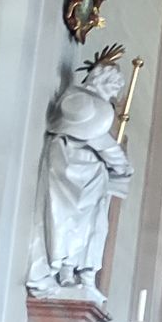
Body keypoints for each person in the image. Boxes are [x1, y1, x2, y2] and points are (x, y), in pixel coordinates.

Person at [27, 48, 132, 299]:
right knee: (67, 222)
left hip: (93, 178)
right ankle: (63, 271)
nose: (116, 90)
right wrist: (121, 164)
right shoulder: (79, 101)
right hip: (71, 172)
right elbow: (97, 139)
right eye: (115, 84)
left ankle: (79, 275)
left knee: (93, 228)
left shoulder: (96, 106)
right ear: (102, 79)